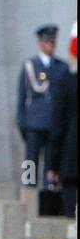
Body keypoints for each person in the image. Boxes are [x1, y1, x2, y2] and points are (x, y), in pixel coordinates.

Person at [17, 25, 70, 197]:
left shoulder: (62, 67)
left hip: (54, 124)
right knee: (30, 161)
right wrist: (22, 122)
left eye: (53, 42)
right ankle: (28, 192)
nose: (51, 45)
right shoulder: (31, 66)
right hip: (34, 123)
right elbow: (22, 97)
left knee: (51, 162)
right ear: (40, 43)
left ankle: (50, 195)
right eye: (48, 42)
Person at [49, 61, 77, 220]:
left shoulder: (65, 81)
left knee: (70, 210)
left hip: (70, 155)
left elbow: (57, 126)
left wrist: (53, 164)